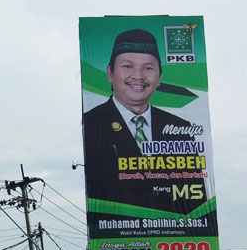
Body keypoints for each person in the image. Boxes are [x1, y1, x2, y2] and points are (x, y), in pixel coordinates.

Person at [81, 28, 198, 212]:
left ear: (159, 76)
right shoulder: (92, 124)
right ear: (110, 73)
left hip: (172, 235)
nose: (138, 76)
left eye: (148, 68)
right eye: (127, 66)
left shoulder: (180, 129)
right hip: (117, 237)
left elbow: (195, 201)